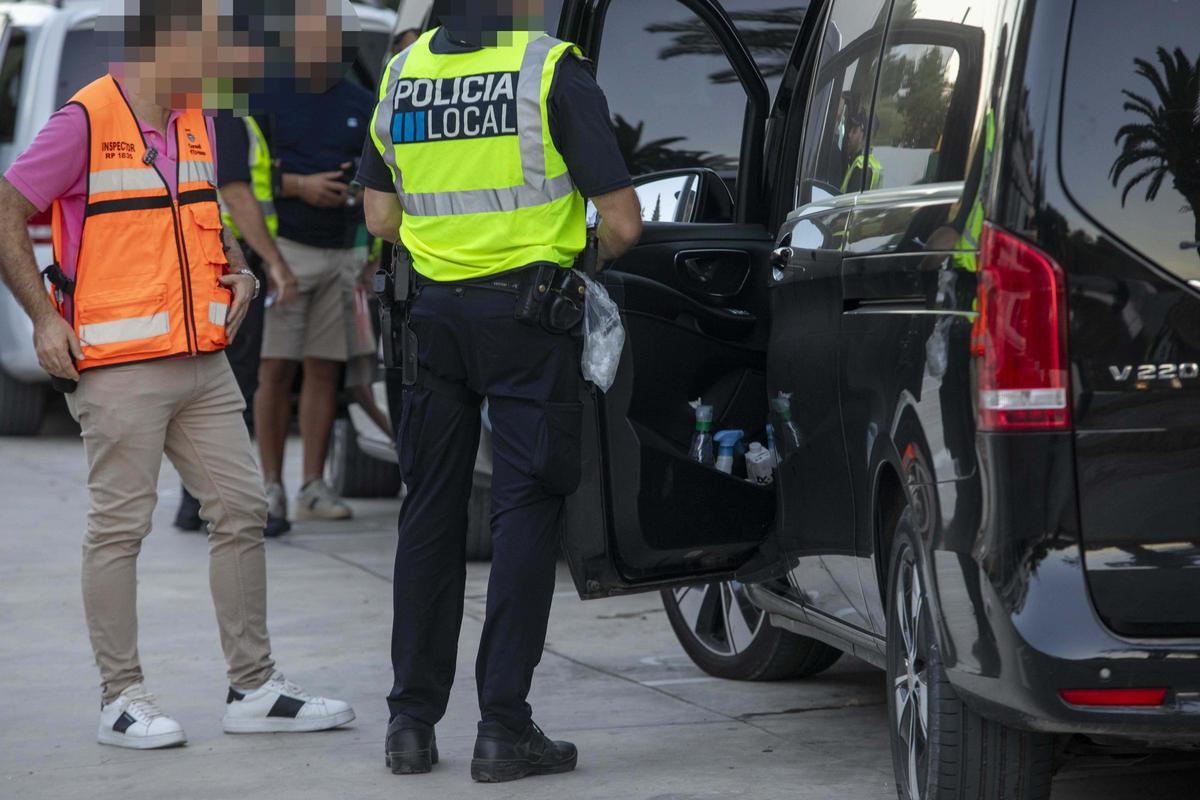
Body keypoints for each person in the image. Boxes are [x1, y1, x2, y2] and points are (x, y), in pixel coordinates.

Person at [0, 2, 353, 748]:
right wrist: (43, 316)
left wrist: (238, 269)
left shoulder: (197, 118)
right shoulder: (86, 119)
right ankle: (120, 700)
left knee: (243, 507)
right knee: (120, 530)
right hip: (119, 368)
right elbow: (7, 205)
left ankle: (252, 689)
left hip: (202, 361)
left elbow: (198, 209)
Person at [360, 3, 642, 783]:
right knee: (524, 508)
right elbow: (622, 222)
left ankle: (410, 726)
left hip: (431, 320)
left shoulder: (405, 69)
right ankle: (502, 730)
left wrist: (448, 247)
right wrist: (567, 256)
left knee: (429, 510)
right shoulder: (549, 68)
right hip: (528, 318)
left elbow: (379, 213)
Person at [252, 65, 377, 533]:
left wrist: (368, 251)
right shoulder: (267, 92)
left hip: (345, 251)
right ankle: (270, 486)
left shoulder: (360, 100)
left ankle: (311, 486)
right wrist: (301, 186)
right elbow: (245, 174)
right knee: (276, 368)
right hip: (285, 250)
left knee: (325, 366)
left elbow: (378, 176)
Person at [174, 110, 298, 532]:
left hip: (217, 261)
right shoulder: (222, 115)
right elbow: (236, 194)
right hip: (228, 262)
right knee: (230, 388)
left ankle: (196, 504)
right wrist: (276, 263)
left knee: (216, 383)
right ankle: (216, 503)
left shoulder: (211, 114)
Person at [841, 109, 883, 192]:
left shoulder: (861, 167)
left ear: (865, 136)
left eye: (854, 131)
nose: (849, 134)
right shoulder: (870, 164)